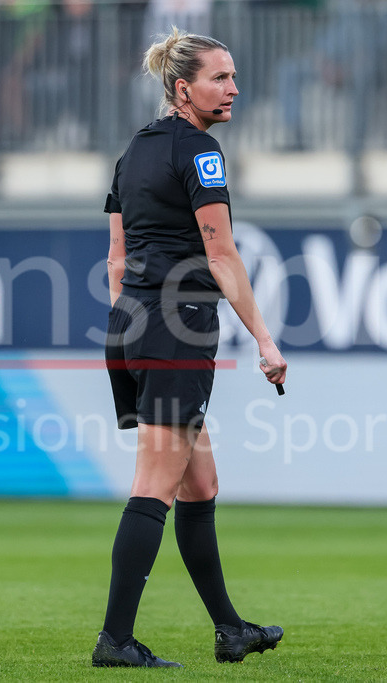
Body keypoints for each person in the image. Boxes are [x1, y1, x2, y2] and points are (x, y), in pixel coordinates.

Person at [93, 26, 287, 668]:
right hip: (176, 327)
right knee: (155, 484)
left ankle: (230, 629)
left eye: (233, 76)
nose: (233, 88)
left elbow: (117, 258)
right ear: (183, 89)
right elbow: (221, 252)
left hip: (130, 324)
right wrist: (265, 340)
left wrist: (132, 324)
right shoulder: (201, 151)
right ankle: (115, 642)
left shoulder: (133, 152)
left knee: (200, 484)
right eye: (219, 78)